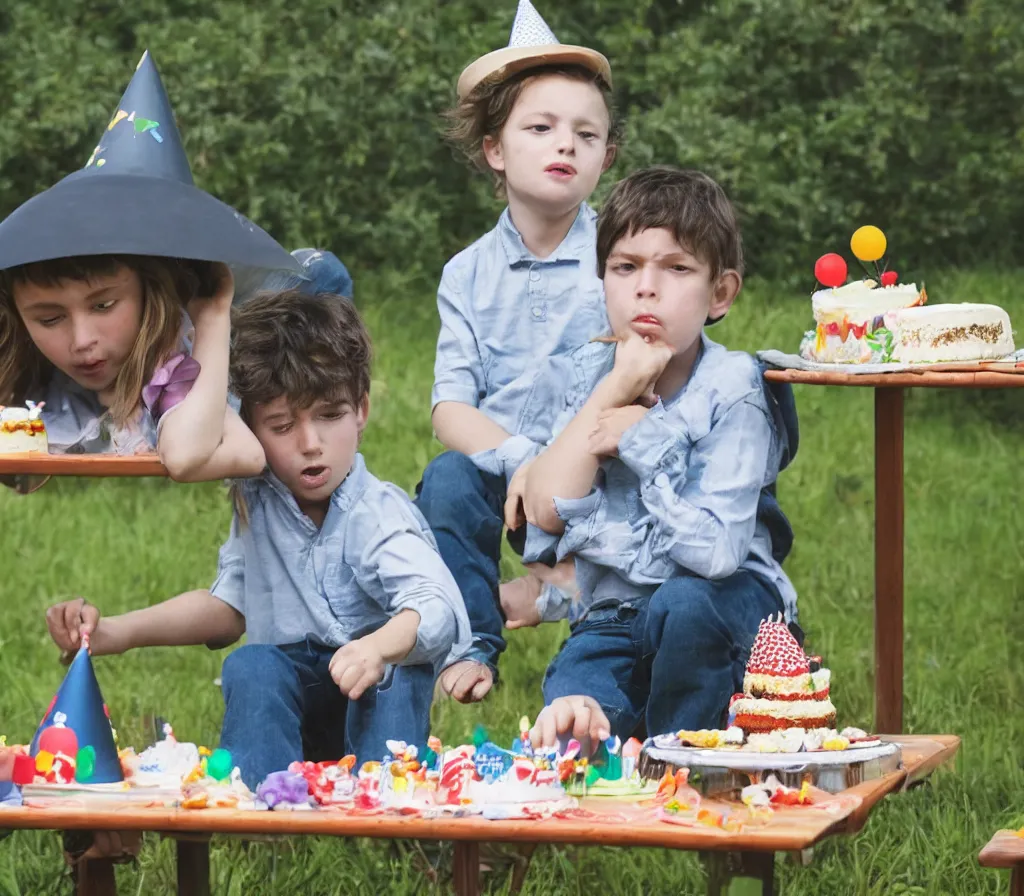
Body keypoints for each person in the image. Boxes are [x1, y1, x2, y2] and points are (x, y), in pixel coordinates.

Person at [45, 289, 472, 788]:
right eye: (282, 425)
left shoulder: (377, 514)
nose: (310, 443)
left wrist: (376, 649)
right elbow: (230, 607)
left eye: (330, 416)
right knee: (252, 662)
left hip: (372, 700)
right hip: (300, 701)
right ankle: (264, 802)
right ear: (251, 430)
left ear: (361, 411)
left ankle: (392, 809)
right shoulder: (260, 501)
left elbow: (437, 607)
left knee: (399, 671)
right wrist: (113, 633)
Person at [515, 167, 799, 750]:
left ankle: (688, 764)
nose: (647, 287)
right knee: (576, 704)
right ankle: (598, 746)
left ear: (719, 294)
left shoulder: (736, 387)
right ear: (603, 282)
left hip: (728, 605)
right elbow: (546, 513)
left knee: (683, 604)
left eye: (676, 268)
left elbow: (717, 555)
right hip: (617, 613)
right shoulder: (580, 376)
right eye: (625, 267)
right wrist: (613, 390)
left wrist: (643, 442)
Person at [415, 0, 618, 703]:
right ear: (496, 150)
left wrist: (567, 462)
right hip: (508, 467)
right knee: (446, 481)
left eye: (585, 135)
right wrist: (522, 463)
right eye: (541, 128)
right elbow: (450, 405)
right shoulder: (467, 273)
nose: (565, 145)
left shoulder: (619, 260)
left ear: (605, 157)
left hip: (605, 462)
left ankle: (575, 604)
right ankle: (470, 638)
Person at [0, 51, 300, 491]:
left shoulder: (179, 353)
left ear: (151, 292)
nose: (82, 342)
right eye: (49, 319)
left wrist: (214, 317)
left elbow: (226, 454)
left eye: (103, 305)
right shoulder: (33, 360)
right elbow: (23, 472)